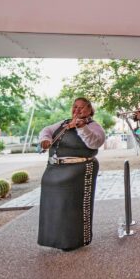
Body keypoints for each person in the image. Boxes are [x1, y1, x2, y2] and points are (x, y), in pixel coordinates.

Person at [38, 98, 105, 251]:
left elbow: (95, 142)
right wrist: (45, 139)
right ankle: (53, 239)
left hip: (77, 171)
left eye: (82, 107)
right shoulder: (63, 123)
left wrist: (82, 128)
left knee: (71, 207)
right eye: (75, 107)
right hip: (54, 171)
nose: (77, 110)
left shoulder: (94, 126)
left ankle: (73, 241)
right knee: (53, 207)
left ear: (89, 110)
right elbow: (46, 130)